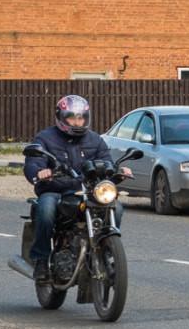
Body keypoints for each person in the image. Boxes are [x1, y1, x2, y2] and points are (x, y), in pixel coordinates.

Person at [23, 95, 129, 283]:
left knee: (116, 207)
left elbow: (106, 163)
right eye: (72, 118)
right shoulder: (45, 138)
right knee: (46, 210)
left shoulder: (95, 140)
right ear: (61, 117)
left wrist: (118, 173)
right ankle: (41, 260)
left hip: (87, 190)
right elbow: (33, 162)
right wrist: (40, 171)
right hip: (55, 189)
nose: (77, 122)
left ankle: (106, 250)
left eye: (81, 118)